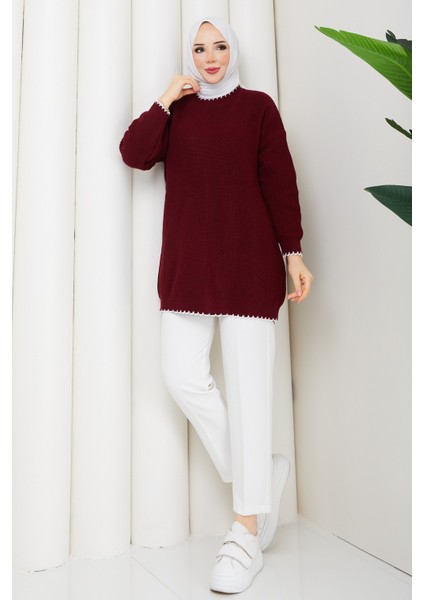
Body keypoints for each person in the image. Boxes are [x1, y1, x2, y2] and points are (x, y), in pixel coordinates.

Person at [119, 16, 313, 594]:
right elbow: (133, 153)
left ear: (234, 50)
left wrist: (294, 255)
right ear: (190, 55)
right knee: (181, 376)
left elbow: (280, 182)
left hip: (248, 267)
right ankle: (259, 474)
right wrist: (164, 99)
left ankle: (245, 531)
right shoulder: (177, 113)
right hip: (189, 269)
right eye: (200, 48)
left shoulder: (258, 108)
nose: (210, 57)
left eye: (220, 46)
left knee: (251, 394)